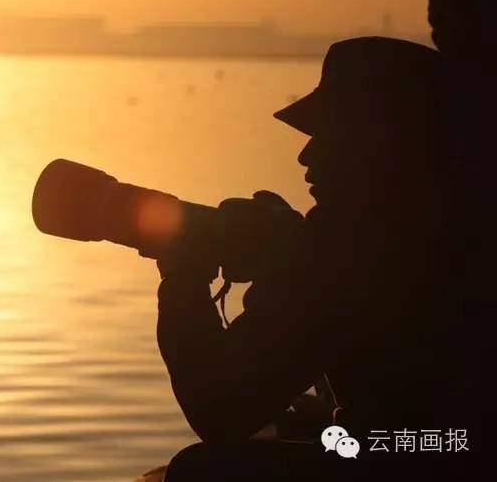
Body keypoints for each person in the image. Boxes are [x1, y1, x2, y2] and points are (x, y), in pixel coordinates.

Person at [154, 37, 482, 480]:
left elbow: (219, 411)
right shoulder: (457, 222)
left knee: (198, 471)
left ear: (380, 145)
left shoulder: (349, 241)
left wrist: (183, 275)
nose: (306, 155)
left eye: (330, 136)